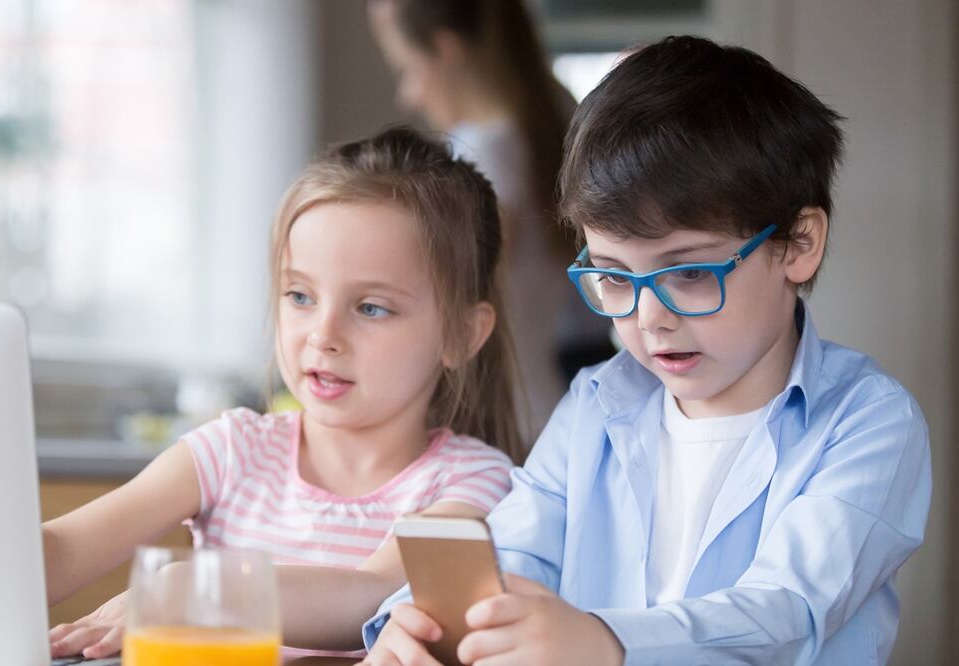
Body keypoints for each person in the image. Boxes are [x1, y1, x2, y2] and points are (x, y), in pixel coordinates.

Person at [361, 36, 932, 665]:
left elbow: (787, 613)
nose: (649, 318)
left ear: (799, 243)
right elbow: (512, 554)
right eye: (613, 275)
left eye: (689, 273)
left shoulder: (867, 423)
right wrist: (414, 623)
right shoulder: (595, 406)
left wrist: (606, 643)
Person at [44, 126, 525, 659]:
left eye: (371, 308)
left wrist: (195, 590)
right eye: (300, 296)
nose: (323, 335)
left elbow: (372, 596)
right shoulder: (232, 450)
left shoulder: (474, 482)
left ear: (461, 335)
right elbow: (64, 550)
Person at [368, 0, 616, 444]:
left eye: (409, 69)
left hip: (498, 422)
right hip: (541, 408)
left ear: (446, 50)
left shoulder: (484, 157)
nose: (409, 95)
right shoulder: (551, 122)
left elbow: (456, 298)